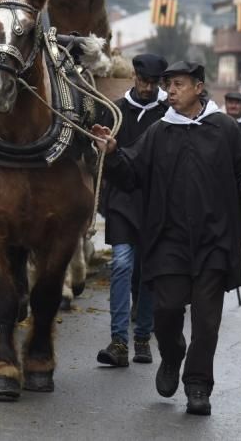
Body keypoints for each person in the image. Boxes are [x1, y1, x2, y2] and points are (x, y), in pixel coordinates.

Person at [93, 61, 241, 417]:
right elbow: (131, 174)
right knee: (167, 311)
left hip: (214, 240)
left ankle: (198, 384)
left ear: (199, 88)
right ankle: (172, 356)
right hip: (168, 239)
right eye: (168, 85)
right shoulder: (159, 131)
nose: (169, 91)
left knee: (207, 321)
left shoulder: (224, 129)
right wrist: (111, 153)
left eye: (178, 85)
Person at [96, 53, 168, 368]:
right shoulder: (116, 112)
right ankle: (119, 342)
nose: (147, 88)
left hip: (155, 204)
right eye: (143, 81)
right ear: (135, 78)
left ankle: (142, 337)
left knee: (148, 273)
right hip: (123, 201)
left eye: (154, 83)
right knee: (123, 265)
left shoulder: (168, 117)